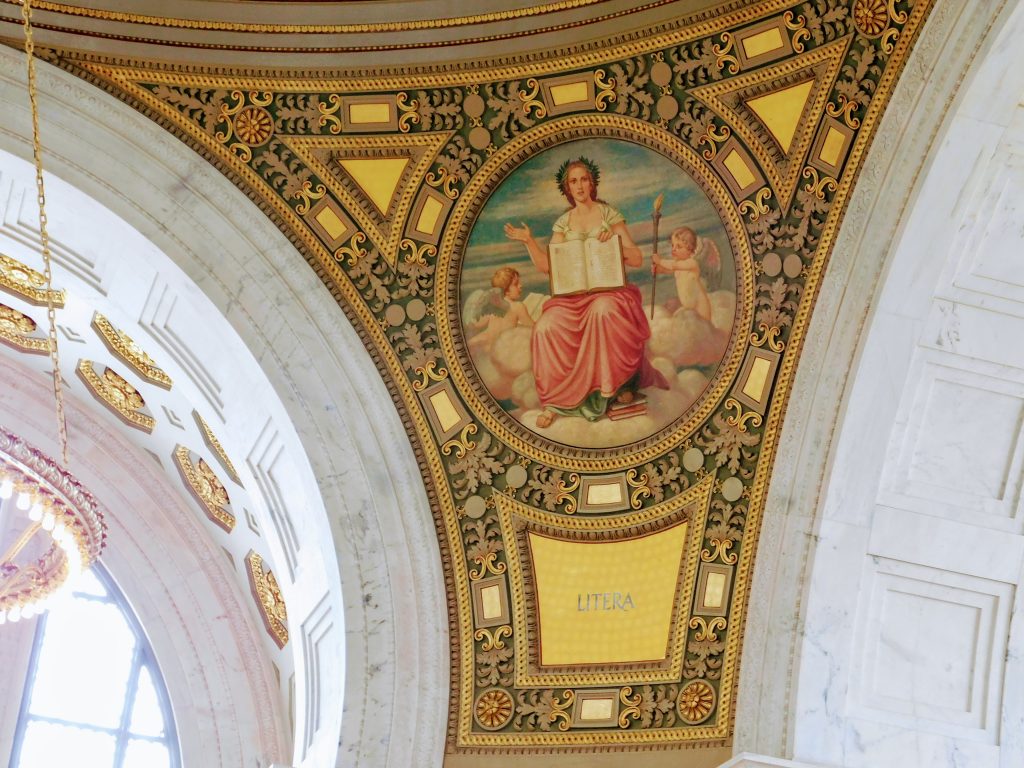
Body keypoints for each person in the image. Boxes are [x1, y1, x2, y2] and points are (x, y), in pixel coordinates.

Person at [504, 157, 668, 428]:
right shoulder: (563, 223)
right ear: (566, 188)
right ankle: (558, 402)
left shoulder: (608, 215)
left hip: (610, 291)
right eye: (573, 181)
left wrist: (614, 244)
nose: (579, 186)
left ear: (592, 183)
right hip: (572, 297)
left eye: (583, 179)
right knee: (545, 327)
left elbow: (637, 258)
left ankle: (614, 388)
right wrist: (528, 241)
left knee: (602, 310)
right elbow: (548, 267)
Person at [652, 227, 713, 322]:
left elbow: (673, 266)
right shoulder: (680, 265)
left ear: (690, 249)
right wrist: (658, 270)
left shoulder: (691, 263)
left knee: (702, 331)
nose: (674, 249)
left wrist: (660, 261)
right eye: (672, 245)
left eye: (679, 246)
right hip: (689, 309)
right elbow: (669, 270)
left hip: (700, 309)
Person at [467, 267, 533, 351]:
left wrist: (471, 323)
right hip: (503, 347)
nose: (520, 286)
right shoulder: (518, 306)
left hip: (488, 344)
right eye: (516, 284)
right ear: (506, 290)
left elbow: (479, 324)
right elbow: (533, 328)